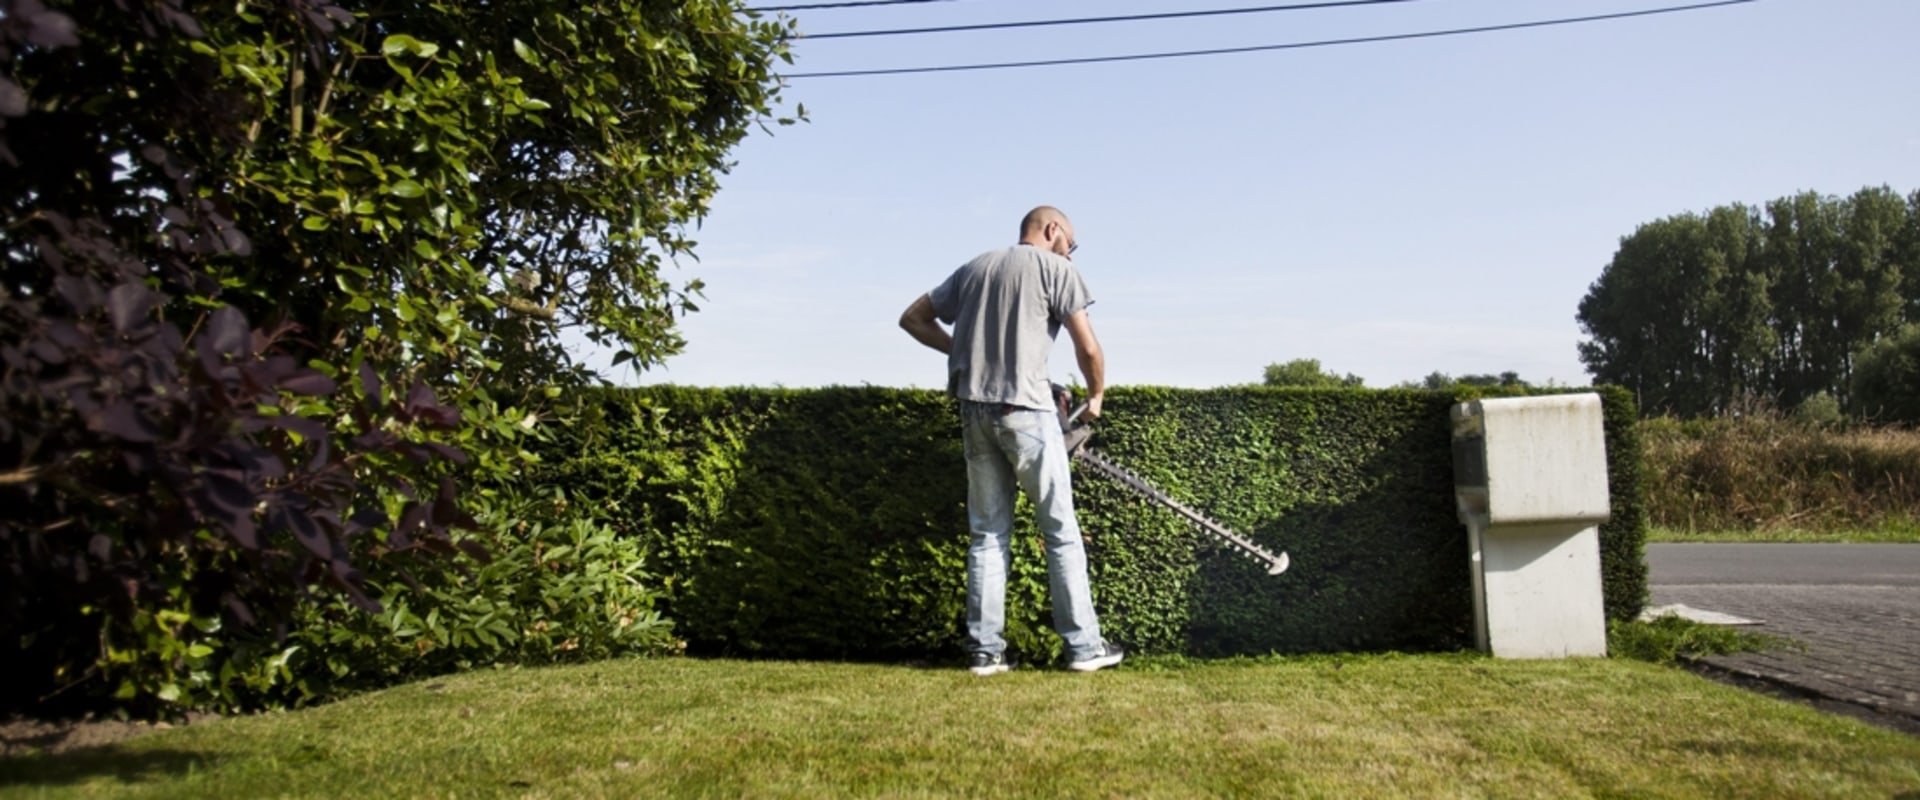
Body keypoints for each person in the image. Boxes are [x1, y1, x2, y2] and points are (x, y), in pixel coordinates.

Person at [898, 206, 1125, 676]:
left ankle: (985, 652)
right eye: (1072, 243)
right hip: (1026, 410)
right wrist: (1096, 394)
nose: (1071, 252)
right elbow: (1087, 346)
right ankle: (1084, 649)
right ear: (1052, 230)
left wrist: (959, 349)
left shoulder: (974, 267)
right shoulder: (1057, 269)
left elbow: (913, 318)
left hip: (974, 412)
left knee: (987, 534)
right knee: (1060, 532)